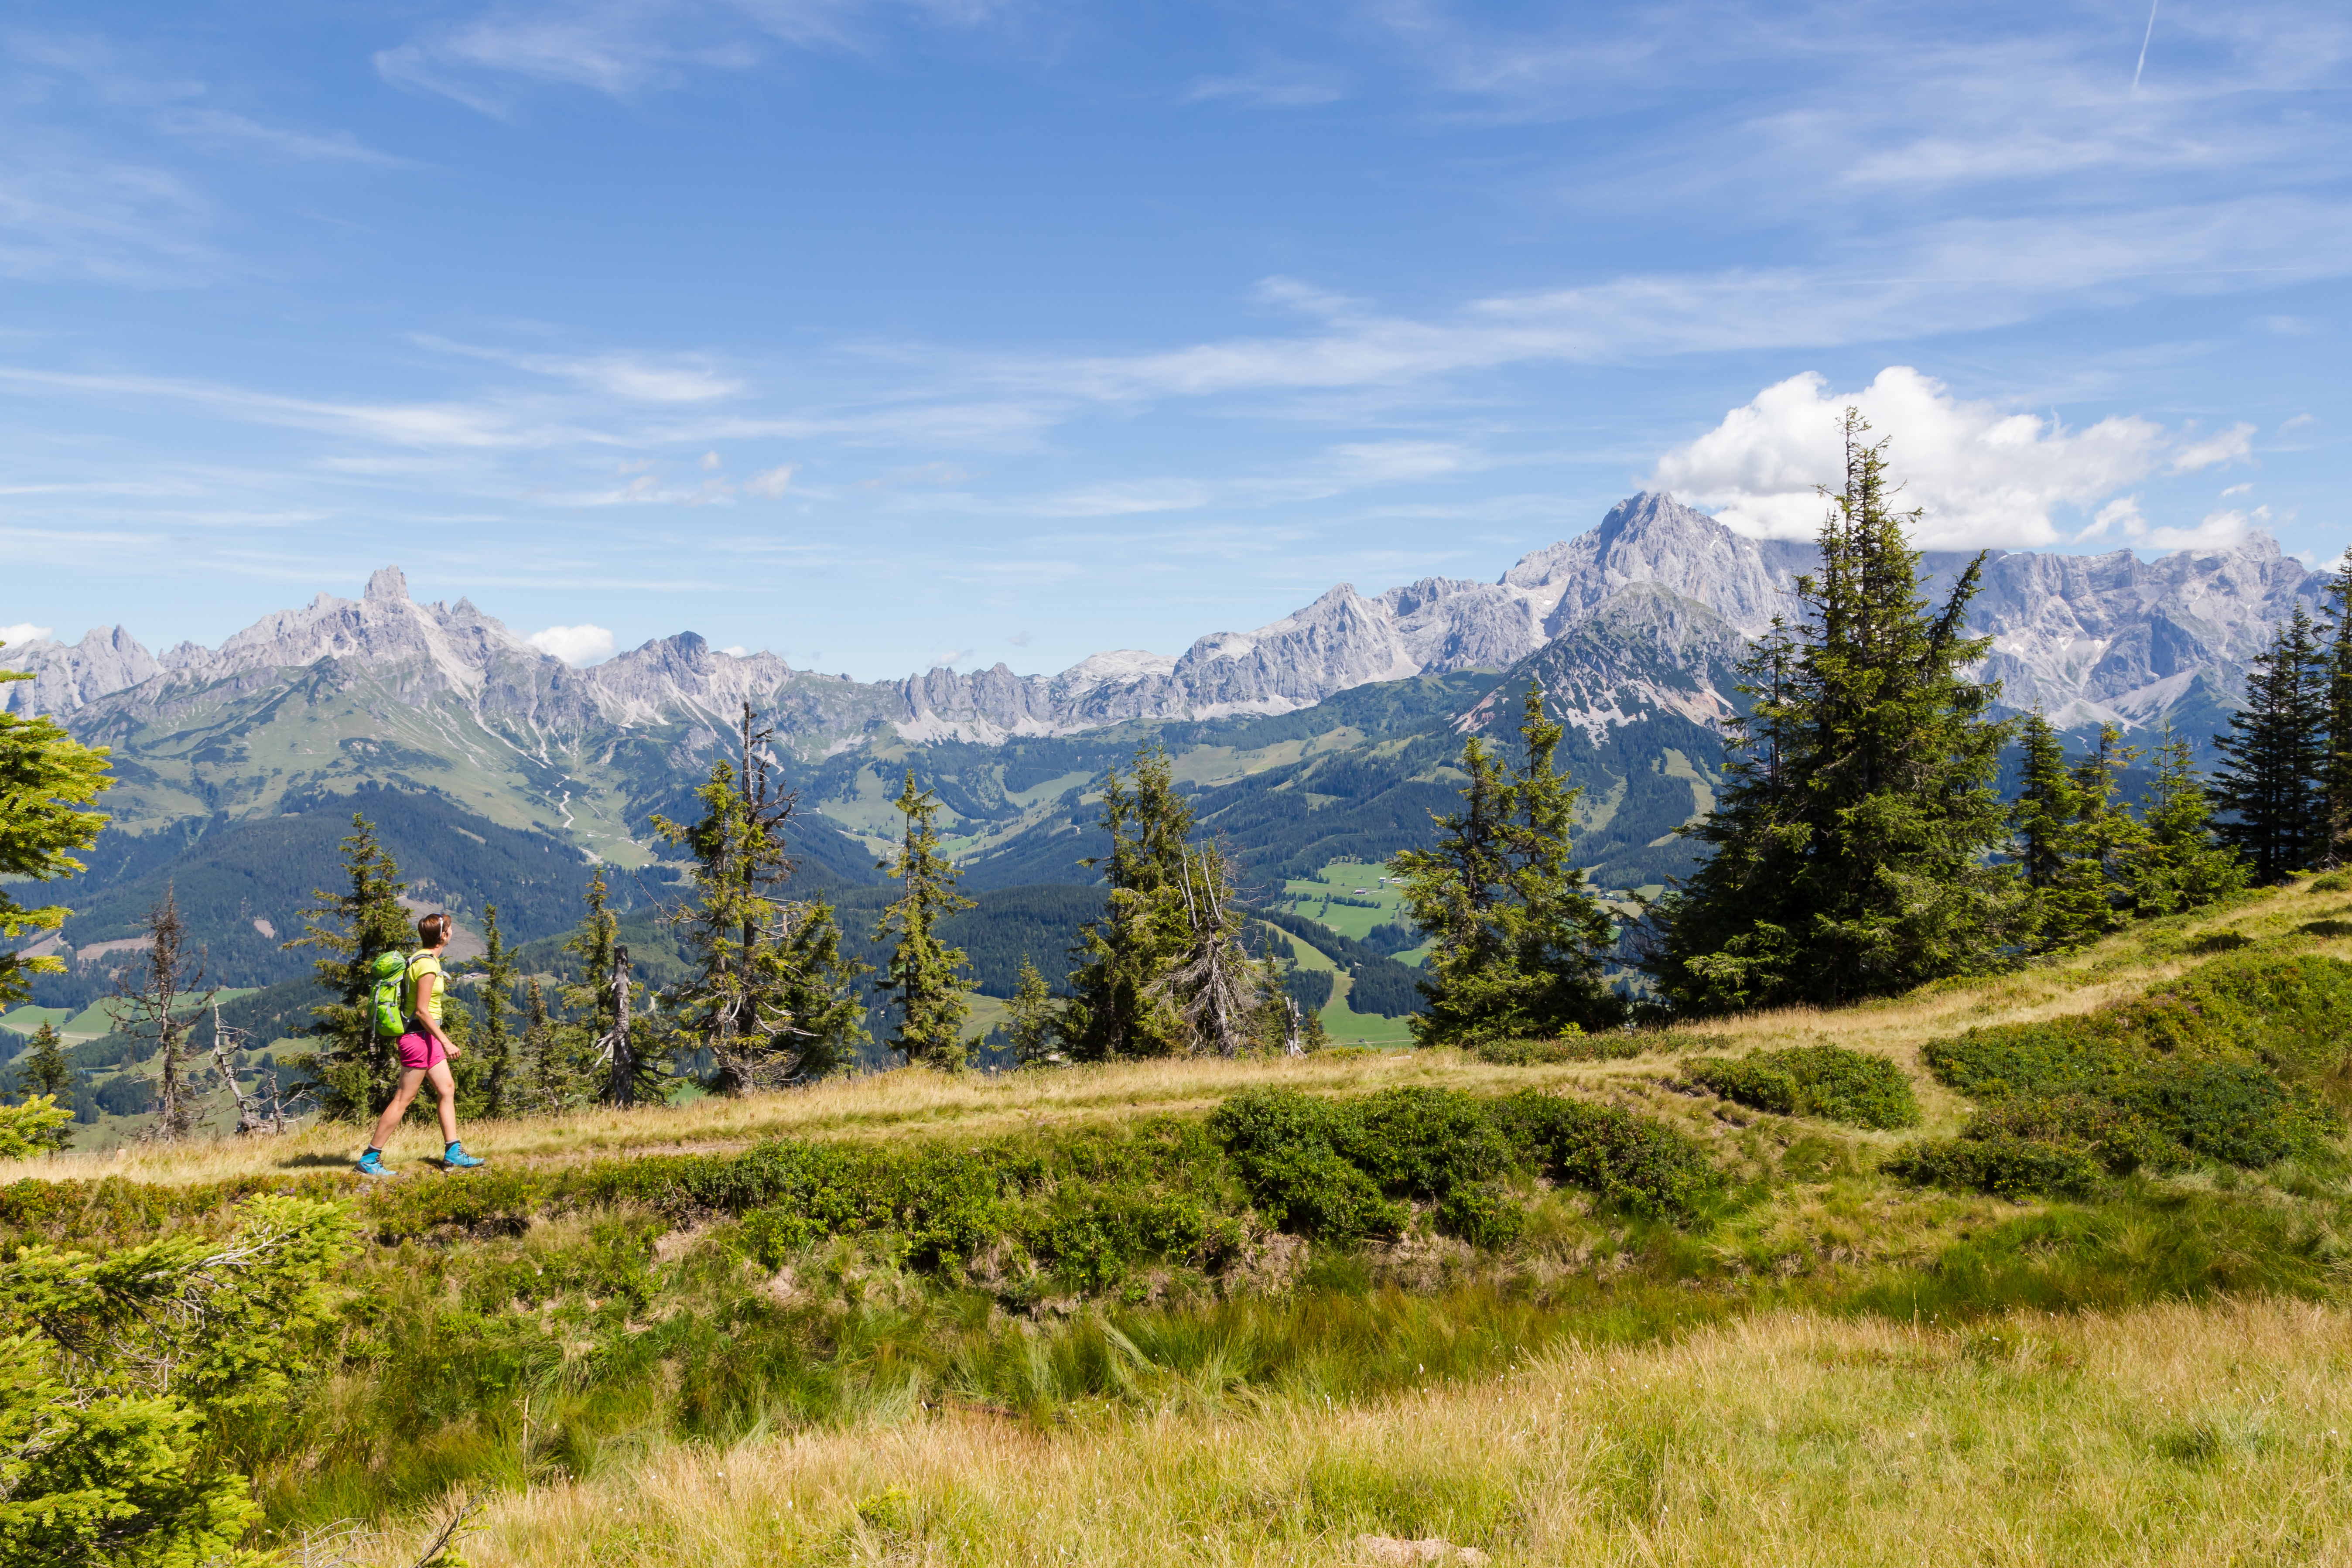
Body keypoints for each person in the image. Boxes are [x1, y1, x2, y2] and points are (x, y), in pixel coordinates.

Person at [356, 912, 485, 1173]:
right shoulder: (427, 966)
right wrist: (447, 1043)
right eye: (450, 929)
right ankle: (369, 1159)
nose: (451, 933)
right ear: (444, 936)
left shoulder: (419, 959)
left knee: (447, 1088)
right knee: (405, 1097)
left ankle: (453, 1152)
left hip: (426, 1038)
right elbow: (422, 1011)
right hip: (418, 1038)